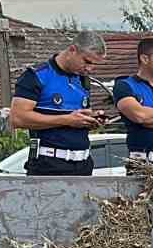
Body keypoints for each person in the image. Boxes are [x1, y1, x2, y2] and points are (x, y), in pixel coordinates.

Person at [9, 32, 108, 176]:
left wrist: (91, 119)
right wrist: (67, 120)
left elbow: (76, 117)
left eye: (94, 64)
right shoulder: (37, 76)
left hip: (83, 164)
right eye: (87, 61)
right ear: (72, 50)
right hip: (49, 164)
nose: (89, 69)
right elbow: (17, 118)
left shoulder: (82, 80)